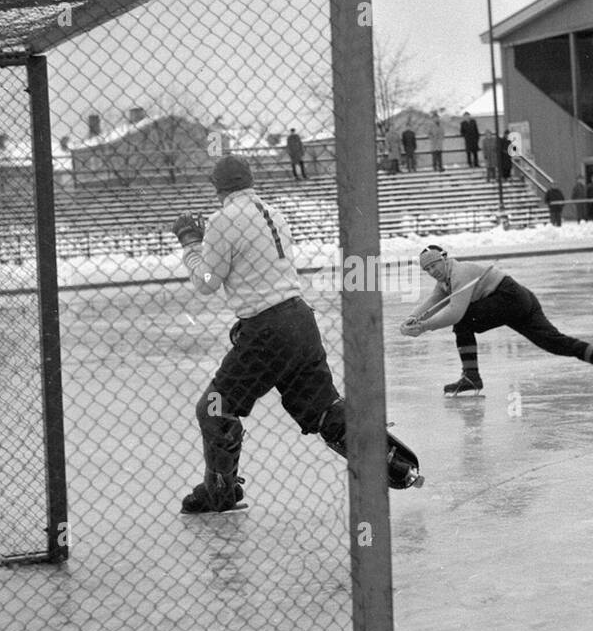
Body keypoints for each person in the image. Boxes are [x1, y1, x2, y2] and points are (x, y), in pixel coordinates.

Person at [171, 156, 420, 512]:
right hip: (300, 322)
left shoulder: (222, 220)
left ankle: (220, 492)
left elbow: (208, 282)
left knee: (215, 408)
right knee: (321, 412)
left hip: (266, 329)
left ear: (217, 187)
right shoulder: (273, 212)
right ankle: (393, 462)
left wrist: (191, 245)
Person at [399, 244, 593, 395]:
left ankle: (471, 376)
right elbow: (432, 301)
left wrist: (424, 327)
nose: (432, 271)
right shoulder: (445, 281)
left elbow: (454, 313)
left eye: (434, 265)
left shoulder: (460, 273)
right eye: (427, 269)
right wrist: (413, 318)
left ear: (444, 258)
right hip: (520, 298)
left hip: (508, 297)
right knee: (556, 343)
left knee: (462, 322)